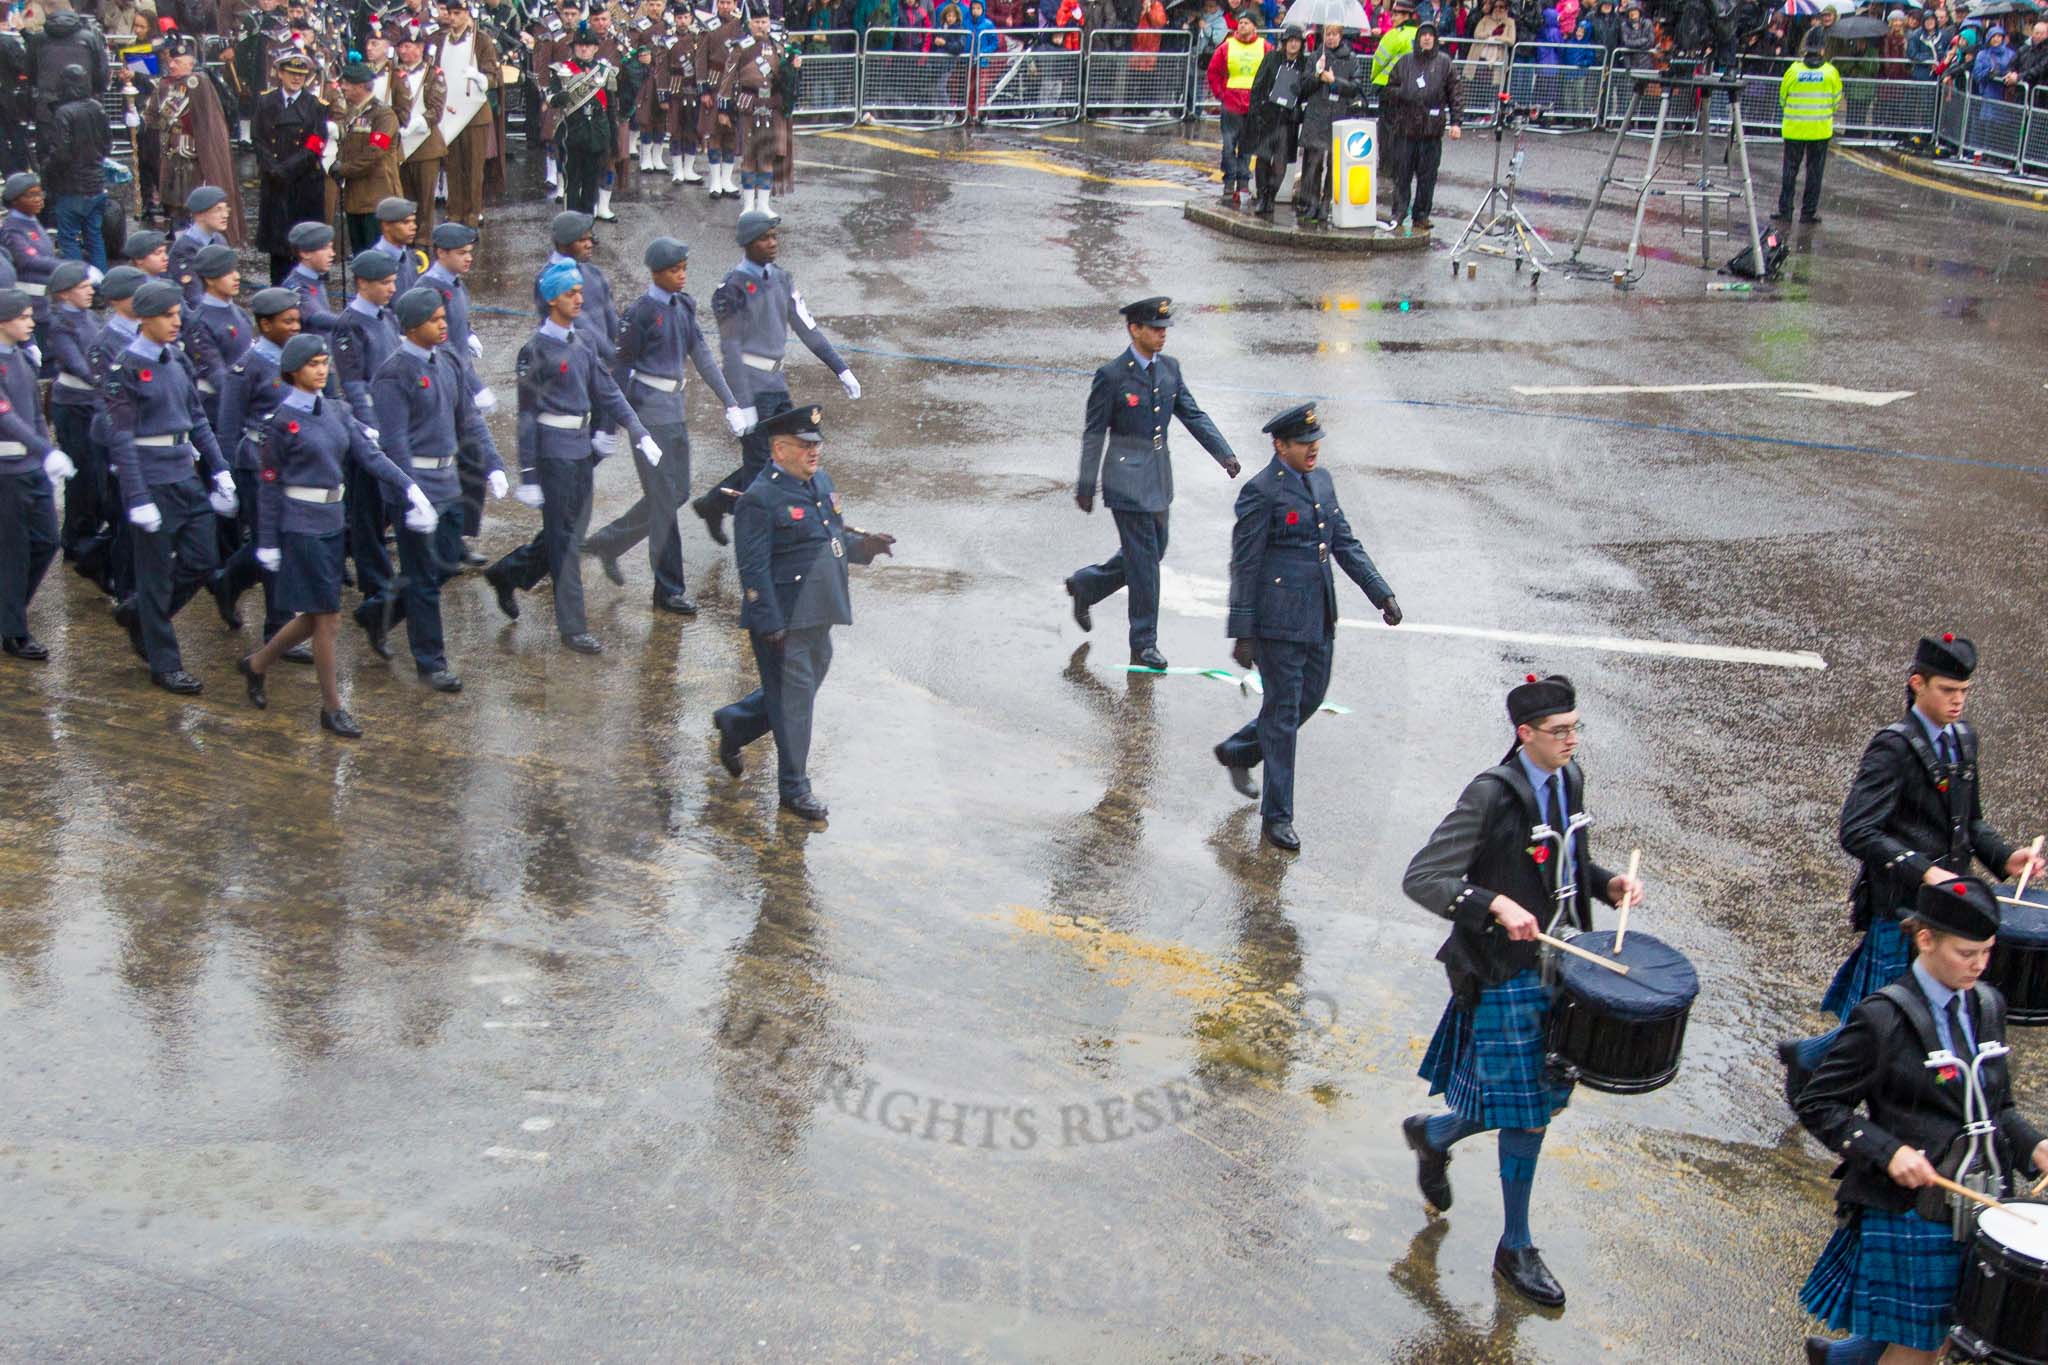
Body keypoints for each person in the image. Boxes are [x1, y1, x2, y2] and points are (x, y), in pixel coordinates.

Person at [1400, 672, 1641, 1309]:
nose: (1571, 740)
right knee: (1529, 1116)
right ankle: (1516, 1246)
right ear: (1523, 733)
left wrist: (1606, 883)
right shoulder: (1491, 795)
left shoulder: (1571, 779)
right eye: (1558, 732)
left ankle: (1438, 1134)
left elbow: (1565, 864)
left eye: (1575, 728)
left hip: (1567, 968)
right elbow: (1424, 878)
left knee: (1541, 1099)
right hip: (1504, 973)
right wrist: (1493, 904)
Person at [1779, 634, 2046, 1102]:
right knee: (1890, 1013)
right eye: (1947, 690)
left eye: (1964, 691)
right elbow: (1857, 830)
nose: (1958, 701)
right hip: (1899, 905)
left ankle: (1816, 1060)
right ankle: (1827, 1078)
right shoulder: (1893, 748)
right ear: (1917, 684)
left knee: (1909, 1011)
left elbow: (1968, 822)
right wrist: (1923, 870)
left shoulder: (1964, 740)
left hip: (1946, 908)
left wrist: (2005, 857)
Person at [1796, 877, 2048, 1365]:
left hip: (1980, 1202)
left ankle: (1841, 1360)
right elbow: (1819, 1102)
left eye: (1987, 952)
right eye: (1967, 952)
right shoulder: (1883, 1018)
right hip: (1911, 1209)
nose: (1979, 965)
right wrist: (1887, 1151)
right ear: (1925, 938)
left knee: (1958, 1325)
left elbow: (1997, 1108)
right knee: (1922, 1346)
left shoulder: (1989, 1005)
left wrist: (2035, 1147)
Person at [1212, 404, 1398, 851]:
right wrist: (1243, 631)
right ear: (1280, 445)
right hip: (1277, 625)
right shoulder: (1261, 492)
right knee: (1282, 715)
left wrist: (1381, 593)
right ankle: (1277, 818)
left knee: (1308, 700)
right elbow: (1245, 563)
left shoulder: (1322, 481)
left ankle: (1240, 749)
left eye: (1316, 442)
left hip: (1318, 617)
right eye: (1303, 443)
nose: (1313, 449)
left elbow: (1345, 543)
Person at [235, 333, 437, 737]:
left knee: (314, 618)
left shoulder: (339, 410)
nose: (322, 370)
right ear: (293, 372)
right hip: (300, 526)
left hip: (331, 522)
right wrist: (270, 542)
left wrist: (409, 487)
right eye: (313, 364)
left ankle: (256, 665)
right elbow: (270, 485)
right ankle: (331, 708)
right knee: (328, 620)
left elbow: (371, 456)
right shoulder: (280, 423)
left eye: (325, 363)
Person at [710, 403, 895, 822]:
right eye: (804, 445)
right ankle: (794, 789)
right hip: (785, 620)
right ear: (778, 449)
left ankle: (736, 724)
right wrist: (768, 621)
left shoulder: (819, 483)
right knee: (794, 704)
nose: (814, 452)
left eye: (817, 444)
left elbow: (827, 541)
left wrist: (864, 548)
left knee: (796, 695)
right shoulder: (760, 499)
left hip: (820, 613)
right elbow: (752, 567)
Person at [482, 261, 660, 655]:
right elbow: (527, 415)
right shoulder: (535, 351)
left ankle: (508, 573)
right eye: (569, 293)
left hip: (580, 449)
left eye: (580, 291)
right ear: (551, 300)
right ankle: (573, 627)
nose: (579, 299)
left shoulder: (580, 342)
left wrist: (638, 431)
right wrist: (528, 475)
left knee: (569, 533)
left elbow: (608, 391)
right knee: (565, 542)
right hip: (554, 454)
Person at [1065, 296, 1239, 670]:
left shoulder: (1169, 369)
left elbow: (1193, 414)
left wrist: (1223, 454)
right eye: (1156, 329)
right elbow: (1094, 433)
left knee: (1153, 551)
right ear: (1135, 329)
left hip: (1159, 475)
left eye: (1165, 330)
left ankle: (1087, 585)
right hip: (1125, 480)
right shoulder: (1111, 376)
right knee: (1145, 562)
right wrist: (1085, 483)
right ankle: (1144, 642)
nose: (1162, 336)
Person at [582, 236, 746, 615]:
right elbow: (619, 370)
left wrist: (730, 402)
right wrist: (611, 425)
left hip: (674, 411)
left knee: (676, 494)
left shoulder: (684, 306)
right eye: (675, 270)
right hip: (648, 415)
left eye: (684, 268)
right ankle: (668, 588)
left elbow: (702, 355)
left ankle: (608, 542)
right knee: (663, 502)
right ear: (656, 273)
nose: (682, 276)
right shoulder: (640, 313)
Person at [358, 286, 507, 693]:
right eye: (435, 320)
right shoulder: (393, 373)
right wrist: (409, 493)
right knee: (424, 578)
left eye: (444, 318)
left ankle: (378, 613)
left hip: (447, 481)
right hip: (415, 487)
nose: (444, 325)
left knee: (441, 568)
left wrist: (493, 463)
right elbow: (394, 441)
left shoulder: (449, 361)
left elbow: (470, 419)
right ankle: (430, 661)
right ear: (410, 327)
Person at [693, 210, 858, 547]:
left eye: (774, 236)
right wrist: (742, 403)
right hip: (751, 385)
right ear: (748, 243)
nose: (772, 243)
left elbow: (806, 328)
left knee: (784, 458)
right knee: (759, 471)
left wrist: (840, 368)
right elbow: (731, 349)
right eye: (765, 238)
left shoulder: (781, 279)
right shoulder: (732, 289)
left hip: (776, 383)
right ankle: (756, 546)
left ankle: (716, 502)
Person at [106, 280, 234, 695]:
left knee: (201, 560)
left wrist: (219, 469)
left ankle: (140, 613)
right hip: (151, 478)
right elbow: (121, 437)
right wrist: (138, 496)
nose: (176, 322)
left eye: (178, 314)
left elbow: (196, 418)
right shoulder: (124, 369)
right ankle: (165, 662)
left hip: (184, 474)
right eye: (167, 316)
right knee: (156, 574)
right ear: (144, 318)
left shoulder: (177, 359)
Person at [210, 287, 304, 652]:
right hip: (258, 465)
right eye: (287, 321)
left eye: (297, 319)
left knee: (277, 539)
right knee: (273, 540)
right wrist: (226, 476)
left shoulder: (299, 357)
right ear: (265, 325)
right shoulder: (247, 367)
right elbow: (228, 425)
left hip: (295, 464)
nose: (295, 326)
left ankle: (228, 581)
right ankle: (278, 628)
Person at [0, 288, 74, 661]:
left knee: (46, 542)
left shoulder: (19, 358)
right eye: (24, 316)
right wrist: (46, 450)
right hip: (6, 471)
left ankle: (7, 609)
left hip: (31, 468)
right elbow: (6, 417)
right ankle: (13, 629)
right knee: (13, 552)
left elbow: (34, 416)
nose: (32, 322)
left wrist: (47, 454)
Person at [332, 250, 403, 625]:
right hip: (368, 426)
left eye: (393, 281)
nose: (392, 288)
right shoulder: (349, 325)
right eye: (384, 283)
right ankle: (375, 582)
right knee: (369, 508)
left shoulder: (387, 317)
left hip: (393, 421)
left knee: (385, 504)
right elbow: (353, 380)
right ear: (362, 284)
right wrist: (368, 421)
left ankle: (349, 549)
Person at [419, 219, 496, 560]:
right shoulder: (430, 289)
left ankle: (457, 538)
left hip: (457, 378)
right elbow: (445, 344)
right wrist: (475, 387)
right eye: (461, 253)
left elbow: (459, 322)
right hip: (444, 383)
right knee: (456, 460)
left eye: (470, 252)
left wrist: (471, 332)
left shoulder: (454, 284)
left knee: (471, 463)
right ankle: (445, 541)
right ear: (440, 253)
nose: (469, 259)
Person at [252, 51, 329, 285]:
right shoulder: (266, 101)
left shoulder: (315, 106)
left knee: (304, 244)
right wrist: (271, 167)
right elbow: (258, 138)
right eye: (292, 74)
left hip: (303, 183)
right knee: (279, 246)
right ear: (280, 74)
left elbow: (316, 144)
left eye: (301, 75)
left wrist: (287, 169)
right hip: (275, 182)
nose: (297, 79)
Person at [1381, 19, 1464, 231]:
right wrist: (1403, 93)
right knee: (1402, 175)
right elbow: (1388, 90)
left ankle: (1421, 215)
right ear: (1418, 38)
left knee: (1428, 177)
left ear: (1435, 39)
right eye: (1423, 34)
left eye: (1430, 35)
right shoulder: (1405, 62)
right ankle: (1399, 213)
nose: (1426, 38)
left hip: (1431, 130)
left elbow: (1455, 94)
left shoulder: (1445, 63)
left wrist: (1456, 122)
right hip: (1406, 129)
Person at [425, 0, 500, 231]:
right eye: (450, 13)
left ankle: (473, 213)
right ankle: (454, 211)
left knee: (474, 167)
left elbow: (493, 75)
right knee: (453, 165)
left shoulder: (481, 39)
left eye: (458, 13)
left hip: (474, 113)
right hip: (448, 111)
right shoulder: (439, 40)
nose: (453, 18)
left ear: (468, 14)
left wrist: (479, 78)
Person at [717, 10, 798, 216]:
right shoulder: (740, 48)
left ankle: (763, 205)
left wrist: (795, 67)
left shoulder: (779, 48)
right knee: (749, 158)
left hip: (772, 106)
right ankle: (748, 206)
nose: (761, 26)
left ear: (769, 23)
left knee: (767, 158)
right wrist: (723, 109)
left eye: (764, 22)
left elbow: (787, 80)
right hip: (748, 106)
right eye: (757, 22)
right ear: (749, 24)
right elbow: (728, 78)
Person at [46, 260, 99, 566]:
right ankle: (75, 541)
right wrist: (106, 379)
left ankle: (86, 533)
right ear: (65, 294)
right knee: (81, 474)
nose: (90, 291)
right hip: (74, 404)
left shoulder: (88, 316)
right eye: (82, 287)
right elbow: (76, 364)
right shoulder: (62, 323)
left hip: (91, 401)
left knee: (93, 473)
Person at [39, 62, 108, 269]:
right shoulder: (97, 107)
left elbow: (61, 154)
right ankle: (101, 284)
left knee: (68, 237)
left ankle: (77, 283)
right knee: (94, 236)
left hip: (71, 186)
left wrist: (46, 168)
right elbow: (107, 144)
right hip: (96, 182)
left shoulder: (64, 113)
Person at [331, 60, 403, 255]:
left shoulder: (383, 115)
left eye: (347, 83)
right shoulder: (352, 113)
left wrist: (343, 169)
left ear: (361, 86)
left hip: (377, 200)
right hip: (356, 199)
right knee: (360, 259)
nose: (342, 87)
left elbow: (375, 153)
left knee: (378, 260)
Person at [1295, 25, 1363, 226]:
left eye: (1334, 34)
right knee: (1312, 163)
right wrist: (1317, 76)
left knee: (1334, 164)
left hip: (1339, 115)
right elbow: (1303, 88)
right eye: (1328, 34)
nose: (1331, 38)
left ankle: (1326, 202)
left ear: (1340, 36)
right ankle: (1312, 202)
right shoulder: (1315, 56)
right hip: (1317, 115)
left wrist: (1334, 82)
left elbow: (1355, 88)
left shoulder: (1351, 58)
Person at [548, 22, 617, 218]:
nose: (584, 49)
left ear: (596, 48)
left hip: (597, 134)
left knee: (591, 184)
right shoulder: (562, 70)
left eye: (588, 46)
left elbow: (610, 107)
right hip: (572, 134)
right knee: (572, 184)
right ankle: (570, 229)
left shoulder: (604, 71)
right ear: (573, 48)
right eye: (579, 45)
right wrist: (559, 97)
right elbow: (551, 99)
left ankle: (586, 227)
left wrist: (613, 138)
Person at [1776, 31, 1843, 225]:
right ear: (1822, 49)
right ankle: (1808, 213)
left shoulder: (1793, 71)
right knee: (1814, 174)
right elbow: (1836, 101)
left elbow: (1782, 98)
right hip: (1820, 131)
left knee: (1789, 172)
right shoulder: (1830, 72)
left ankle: (1786, 211)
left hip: (1794, 129)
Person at [1243, 25, 1307, 217]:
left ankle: (1272, 195)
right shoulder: (1272, 58)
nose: (1294, 44)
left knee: (1281, 161)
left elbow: (1308, 90)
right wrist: (1257, 111)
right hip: (1268, 116)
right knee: (1262, 157)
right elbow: (1258, 84)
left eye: (1297, 40)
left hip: (1288, 120)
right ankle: (1262, 195)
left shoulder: (1305, 64)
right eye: (1290, 40)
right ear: (1285, 42)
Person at [1206, 11, 1268, 208]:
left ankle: (1242, 184)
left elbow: (1273, 72)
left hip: (1253, 106)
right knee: (1228, 146)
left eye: (1246, 23)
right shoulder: (1226, 46)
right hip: (1231, 105)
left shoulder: (1265, 47)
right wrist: (1221, 94)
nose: (1242, 26)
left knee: (1247, 148)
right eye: (1240, 23)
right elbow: (1213, 71)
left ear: (1254, 27)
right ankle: (1229, 182)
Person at [391, 27, 446, 237]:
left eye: (407, 46)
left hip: (426, 145)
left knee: (424, 199)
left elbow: (436, 110)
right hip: (401, 145)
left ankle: (423, 242)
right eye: (400, 47)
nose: (403, 51)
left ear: (420, 48)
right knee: (404, 198)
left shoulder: (433, 74)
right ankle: (407, 239)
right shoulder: (393, 75)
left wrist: (416, 124)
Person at [697, 0, 746, 200]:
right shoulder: (707, 27)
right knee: (714, 133)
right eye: (722, 2)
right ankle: (715, 181)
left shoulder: (742, 25)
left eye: (729, 2)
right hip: (715, 81)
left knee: (732, 136)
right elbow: (700, 60)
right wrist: (704, 90)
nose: (725, 6)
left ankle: (727, 180)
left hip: (736, 84)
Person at [0, 174, 58, 341]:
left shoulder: (31, 221)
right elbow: (28, 260)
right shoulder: (13, 230)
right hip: (31, 304)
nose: (38, 199)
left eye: (40, 194)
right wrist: (63, 267)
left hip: (45, 301)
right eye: (31, 195)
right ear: (14, 200)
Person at [168, 186, 233, 307]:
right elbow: (194, 296)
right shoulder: (185, 249)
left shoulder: (219, 239)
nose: (225, 215)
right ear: (200, 215)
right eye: (218, 210)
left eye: (226, 209)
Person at [281, 221, 340, 337]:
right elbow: (316, 316)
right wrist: (349, 323)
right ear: (305, 253)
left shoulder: (315, 278)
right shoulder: (296, 287)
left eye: (332, 247)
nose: (332, 254)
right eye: (325, 248)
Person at [365, 197, 423, 296]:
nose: (414, 227)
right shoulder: (374, 263)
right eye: (406, 222)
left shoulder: (413, 256)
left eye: (413, 221)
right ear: (386, 225)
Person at [1370, 0, 1419, 100]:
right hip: (1414, 87)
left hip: (1388, 85)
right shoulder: (1421, 35)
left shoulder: (1394, 34)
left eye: (1396, 15)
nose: (1392, 18)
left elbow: (1379, 61)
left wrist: (1374, 78)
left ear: (1406, 16)